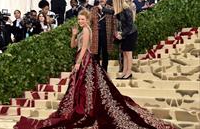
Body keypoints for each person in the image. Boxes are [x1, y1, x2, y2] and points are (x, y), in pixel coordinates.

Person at [13, 10, 175, 129]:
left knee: (87, 88)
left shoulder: (87, 30)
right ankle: (81, 108)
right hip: (79, 58)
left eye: (83, 19)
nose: (80, 21)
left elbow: (84, 48)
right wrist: (73, 35)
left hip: (85, 60)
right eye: (79, 19)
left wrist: (78, 63)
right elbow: (73, 46)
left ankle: (85, 110)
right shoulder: (80, 30)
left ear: (88, 20)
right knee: (80, 88)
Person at [114, 0, 138, 79]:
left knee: (128, 53)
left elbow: (130, 25)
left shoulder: (127, 10)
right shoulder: (119, 11)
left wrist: (122, 34)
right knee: (124, 53)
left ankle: (129, 72)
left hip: (131, 33)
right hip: (125, 33)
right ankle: (124, 72)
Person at [90, 0, 116, 72]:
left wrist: (114, 33)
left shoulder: (111, 9)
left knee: (105, 53)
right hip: (96, 34)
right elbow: (90, 22)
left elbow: (114, 22)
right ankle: (97, 71)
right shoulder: (93, 9)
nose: (101, 0)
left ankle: (105, 71)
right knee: (96, 53)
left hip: (107, 34)